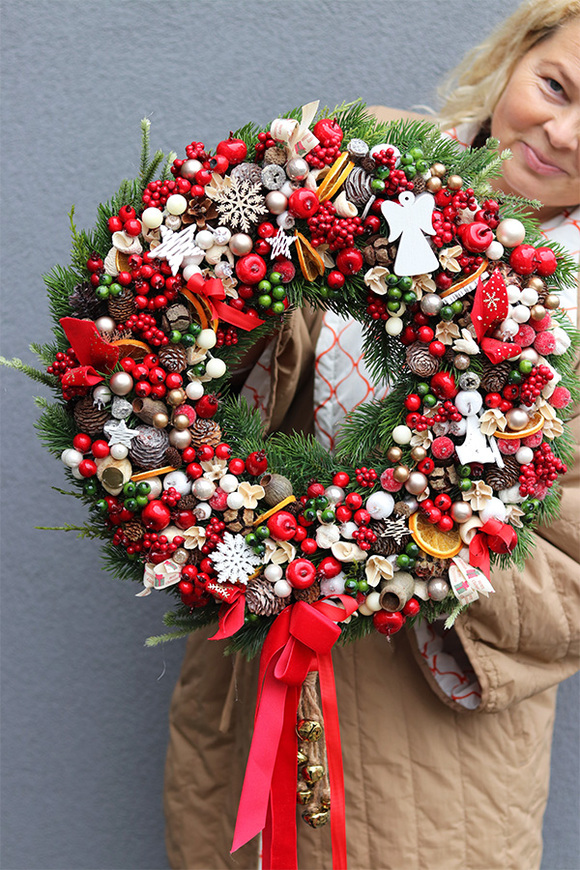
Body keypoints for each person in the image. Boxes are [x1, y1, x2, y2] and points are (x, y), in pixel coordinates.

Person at [164, 3, 580, 867]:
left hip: (428, 744)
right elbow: (217, 364)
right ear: (517, 55)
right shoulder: (359, 167)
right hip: (257, 674)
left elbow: (569, 580)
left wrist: (399, 547)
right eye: (555, 87)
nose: (564, 134)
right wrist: (201, 268)